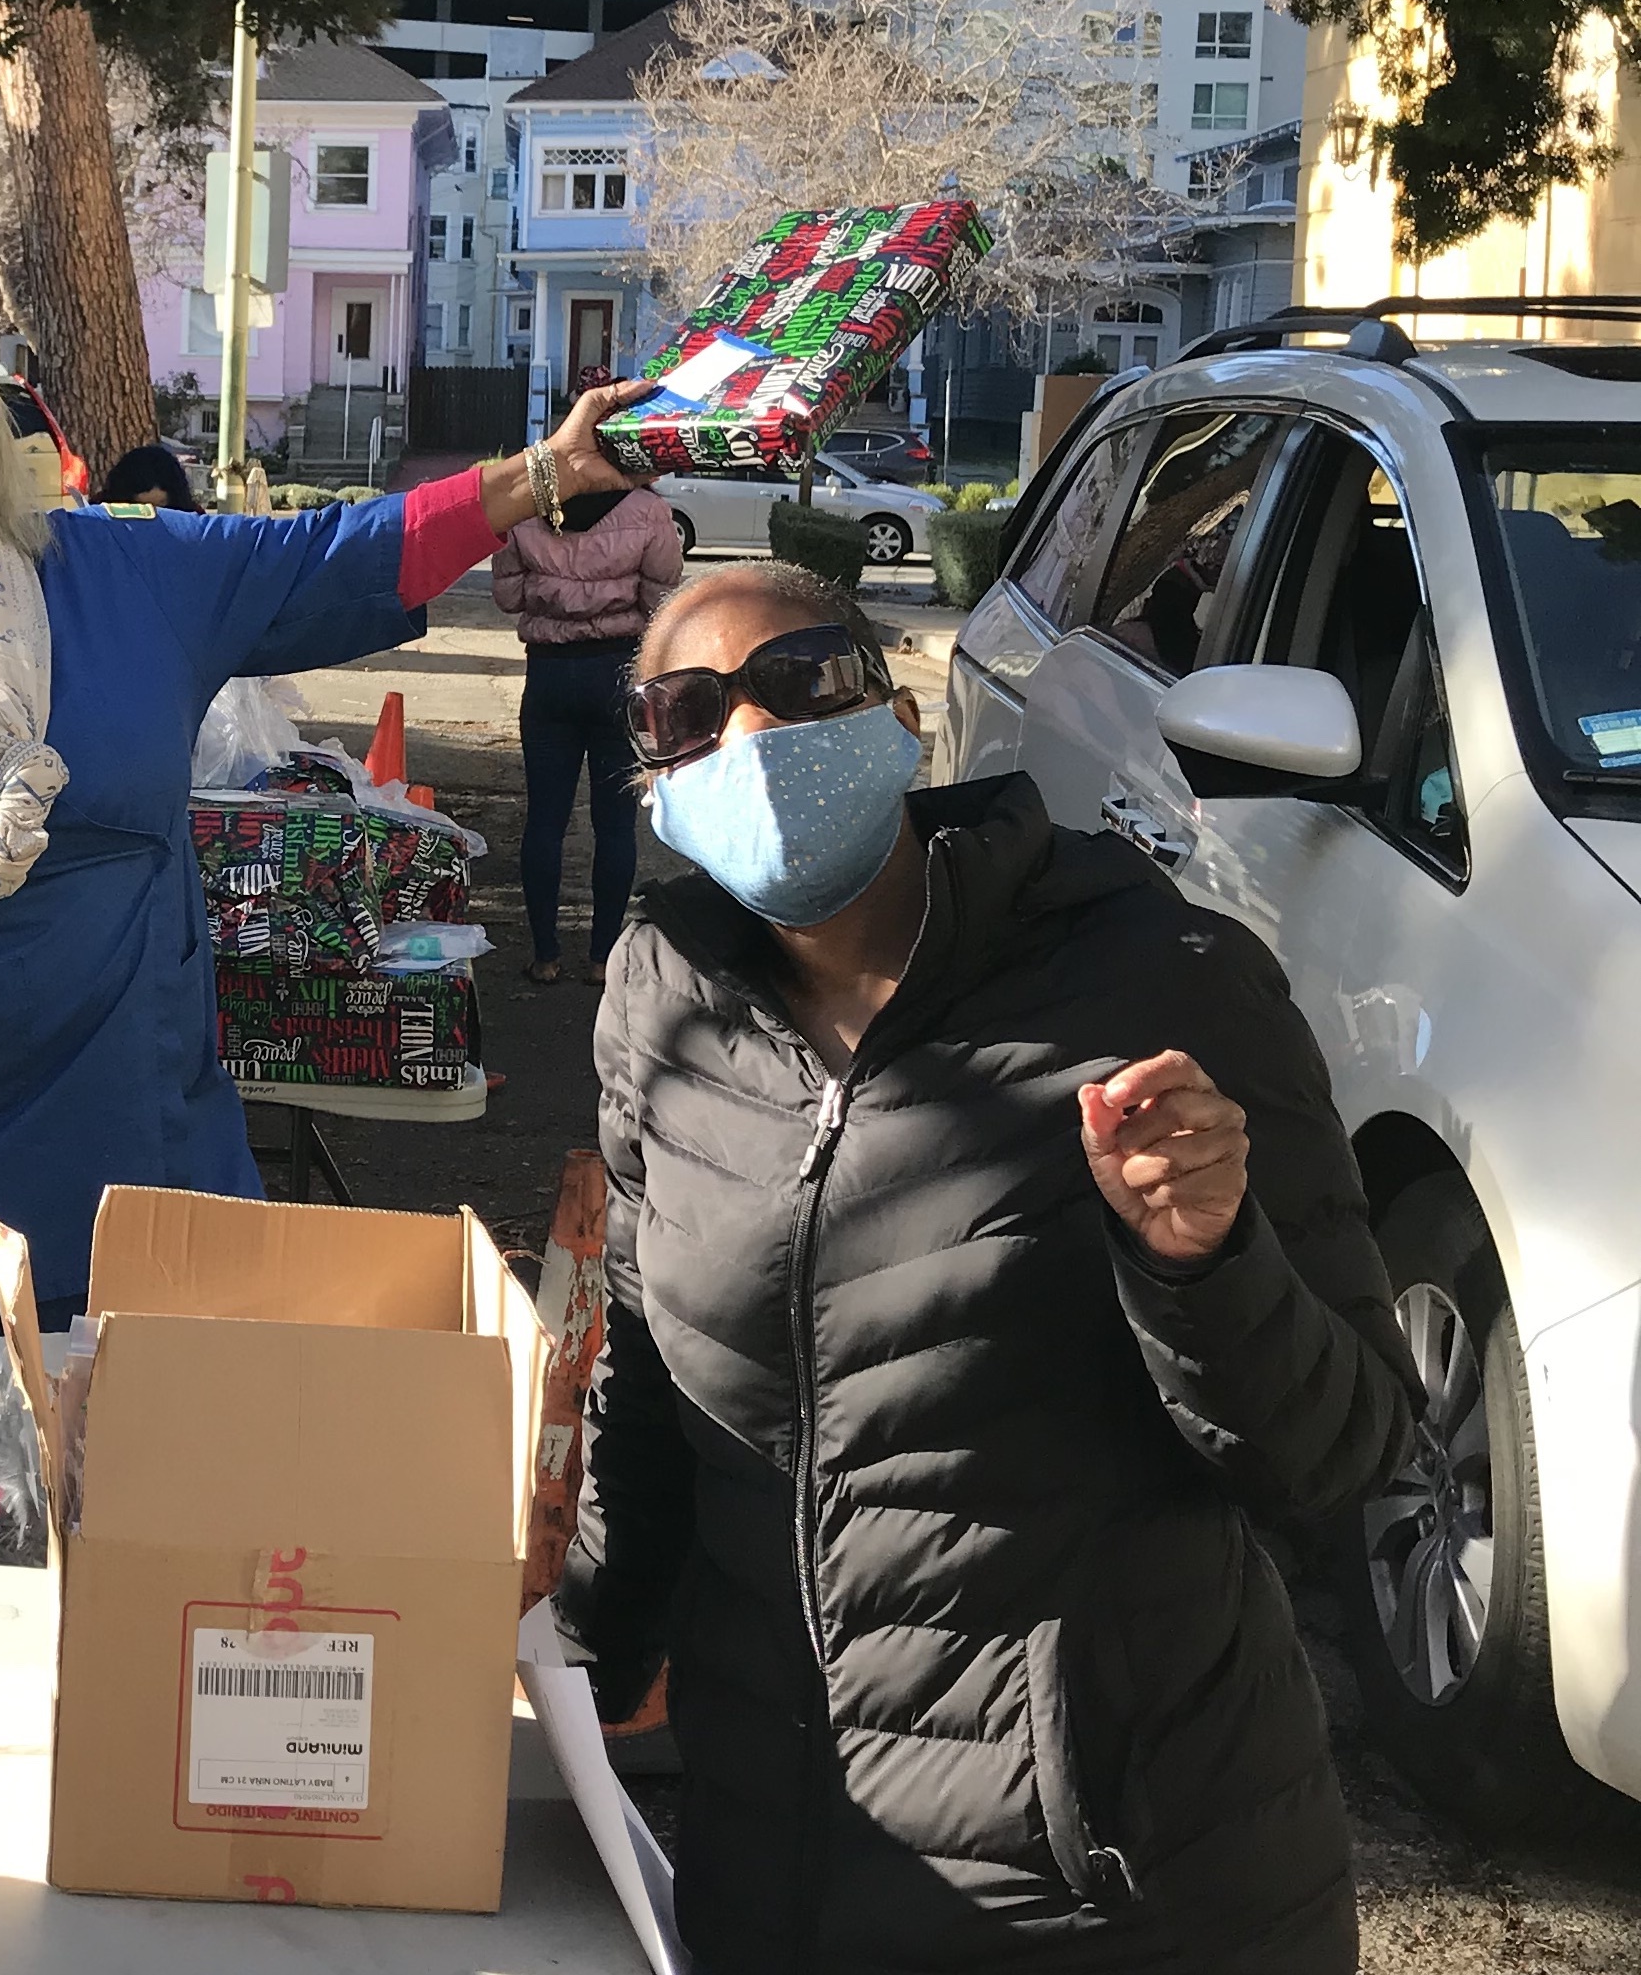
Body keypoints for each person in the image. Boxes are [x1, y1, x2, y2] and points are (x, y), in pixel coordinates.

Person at [0, 159, 655, 1554]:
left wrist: (538, 476)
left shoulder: (121, 576)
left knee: (153, 1560)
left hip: (133, 1164)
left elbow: (334, 559)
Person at [557, 560, 1421, 1972]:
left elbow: (1348, 1447)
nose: (754, 740)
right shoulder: (660, 997)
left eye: (802, 680)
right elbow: (653, 1384)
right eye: (690, 711)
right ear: (651, 780)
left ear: (899, 718)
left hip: (1106, 1890)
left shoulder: (1162, 979)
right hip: (768, 1862)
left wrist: (1204, 1260)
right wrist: (572, 1656)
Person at [490, 483, 680, 985]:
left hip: (549, 676)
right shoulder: (649, 510)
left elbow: (508, 596)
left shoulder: (526, 507)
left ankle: (545, 956)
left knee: (545, 821)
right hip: (617, 673)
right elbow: (662, 601)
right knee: (615, 825)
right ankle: (601, 959)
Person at [97, 442, 197, 511]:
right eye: (141, 507)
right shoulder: (99, 515)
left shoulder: (193, 521)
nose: (151, 515)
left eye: (160, 508)